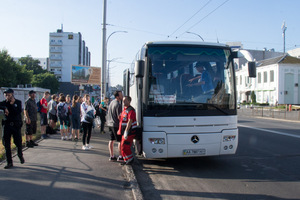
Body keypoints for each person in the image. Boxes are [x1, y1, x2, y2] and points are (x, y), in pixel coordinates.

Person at [0, 89, 24, 169]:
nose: (7, 97)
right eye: (6, 95)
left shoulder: (18, 102)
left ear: (12, 95)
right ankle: (9, 162)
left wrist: (13, 105)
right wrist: (4, 108)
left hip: (15, 125)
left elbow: (18, 112)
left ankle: (20, 154)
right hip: (6, 125)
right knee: (6, 144)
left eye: (9, 95)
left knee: (18, 142)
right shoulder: (3, 103)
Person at [118, 96, 137, 165]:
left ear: (129, 101)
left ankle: (130, 159)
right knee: (122, 147)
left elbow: (130, 121)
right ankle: (126, 160)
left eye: (125, 100)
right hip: (124, 131)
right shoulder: (124, 109)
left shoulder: (130, 110)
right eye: (123, 100)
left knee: (125, 146)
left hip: (129, 132)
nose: (123, 102)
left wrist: (126, 131)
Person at [106, 91, 123, 161]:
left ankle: (111, 156)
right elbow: (119, 116)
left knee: (111, 140)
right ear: (117, 97)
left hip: (110, 123)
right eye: (121, 95)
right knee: (119, 141)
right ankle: (120, 156)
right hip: (116, 124)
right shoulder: (118, 105)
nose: (122, 96)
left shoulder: (112, 102)